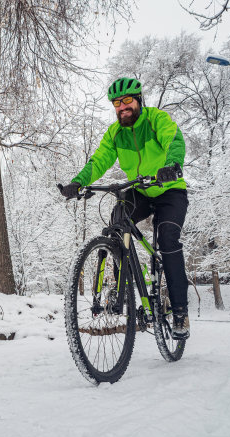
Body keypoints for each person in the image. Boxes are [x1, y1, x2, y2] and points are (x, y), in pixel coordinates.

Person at [59, 77, 190, 339]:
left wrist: (172, 165)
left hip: (169, 189)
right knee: (117, 219)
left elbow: (173, 139)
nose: (122, 107)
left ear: (139, 100)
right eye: (117, 103)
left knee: (167, 238)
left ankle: (179, 312)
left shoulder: (156, 119)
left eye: (127, 101)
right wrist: (78, 182)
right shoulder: (115, 133)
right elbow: (99, 161)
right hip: (140, 190)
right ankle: (121, 288)